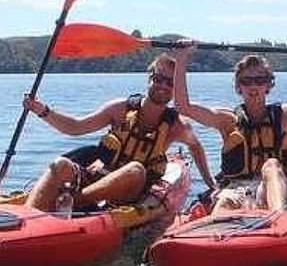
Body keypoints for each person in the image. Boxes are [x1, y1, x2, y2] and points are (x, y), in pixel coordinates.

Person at [22, 53, 216, 211]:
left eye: (170, 83)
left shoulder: (177, 126)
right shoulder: (119, 108)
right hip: (99, 177)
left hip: (132, 190)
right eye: (158, 79)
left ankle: (74, 202)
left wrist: (212, 185)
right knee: (60, 165)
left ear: (176, 88)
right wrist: (41, 110)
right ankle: (29, 218)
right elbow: (76, 127)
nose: (163, 85)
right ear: (149, 79)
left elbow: (196, 148)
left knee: (135, 169)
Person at [172, 43, 287, 213]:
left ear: (269, 85)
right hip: (238, 189)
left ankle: (279, 219)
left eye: (260, 80)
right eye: (246, 81)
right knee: (225, 199)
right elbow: (183, 106)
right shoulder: (226, 120)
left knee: (271, 165)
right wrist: (181, 60)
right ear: (238, 86)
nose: (253, 86)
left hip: (277, 186)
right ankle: (215, 231)